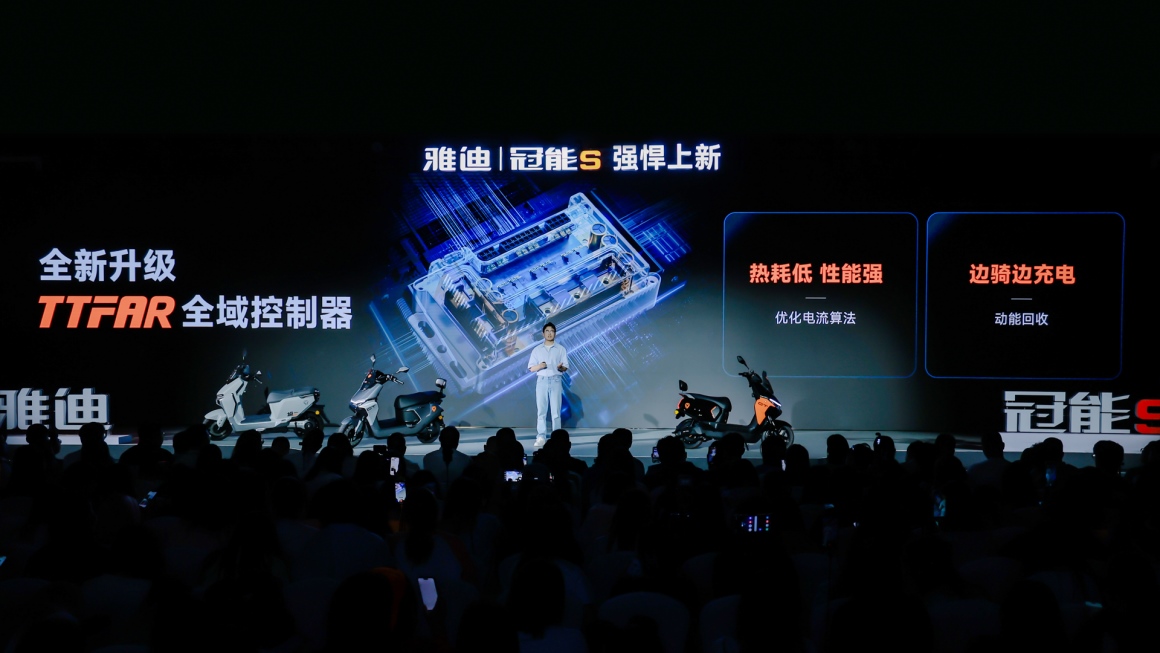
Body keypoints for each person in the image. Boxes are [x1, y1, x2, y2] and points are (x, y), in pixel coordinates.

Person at [527, 322, 569, 448]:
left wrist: (561, 367)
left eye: (552, 331)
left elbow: (565, 367)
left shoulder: (560, 349)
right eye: (547, 331)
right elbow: (531, 368)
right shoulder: (537, 349)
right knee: (541, 411)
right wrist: (540, 366)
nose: (549, 333)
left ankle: (557, 437)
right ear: (543, 333)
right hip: (542, 381)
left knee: (556, 412)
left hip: (556, 380)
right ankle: (541, 437)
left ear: (555, 333)